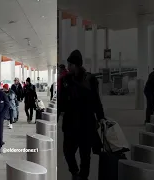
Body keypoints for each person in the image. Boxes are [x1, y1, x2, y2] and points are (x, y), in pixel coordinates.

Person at [58, 50, 105, 180]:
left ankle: (83, 177)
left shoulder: (90, 79)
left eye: (70, 65)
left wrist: (101, 117)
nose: (68, 67)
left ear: (76, 65)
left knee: (85, 155)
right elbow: (61, 102)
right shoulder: (66, 80)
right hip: (70, 124)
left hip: (86, 124)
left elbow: (96, 100)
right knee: (68, 152)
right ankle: (74, 172)